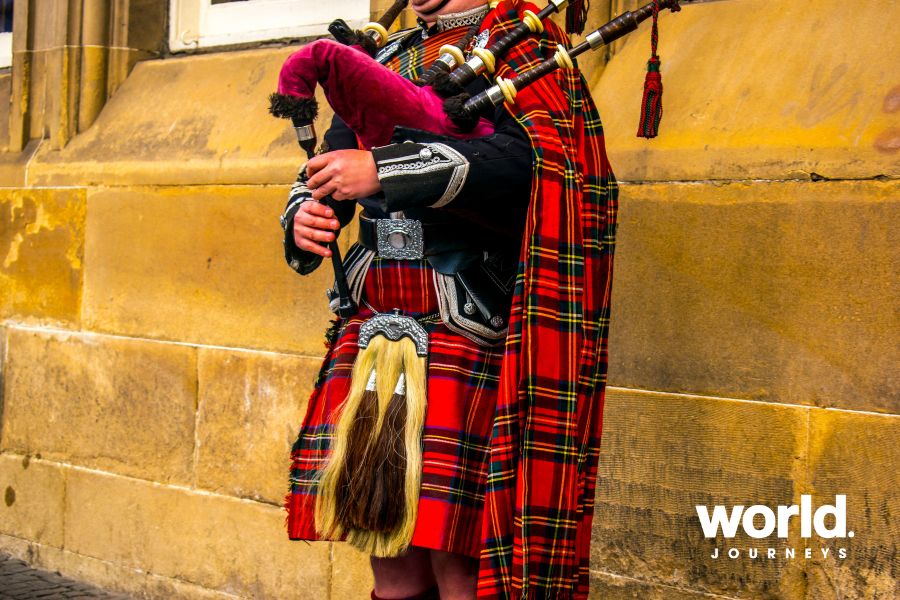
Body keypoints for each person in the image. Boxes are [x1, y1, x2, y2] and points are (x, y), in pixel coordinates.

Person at [278, 1, 617, 598]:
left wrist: (385, 169)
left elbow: (528, 165)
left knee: (458, 560)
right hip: (375, 323)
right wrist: (306, 216)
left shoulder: (519, 47)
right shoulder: (386, 53)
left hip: (463, 323)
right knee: (388, 548)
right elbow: (328, 167)